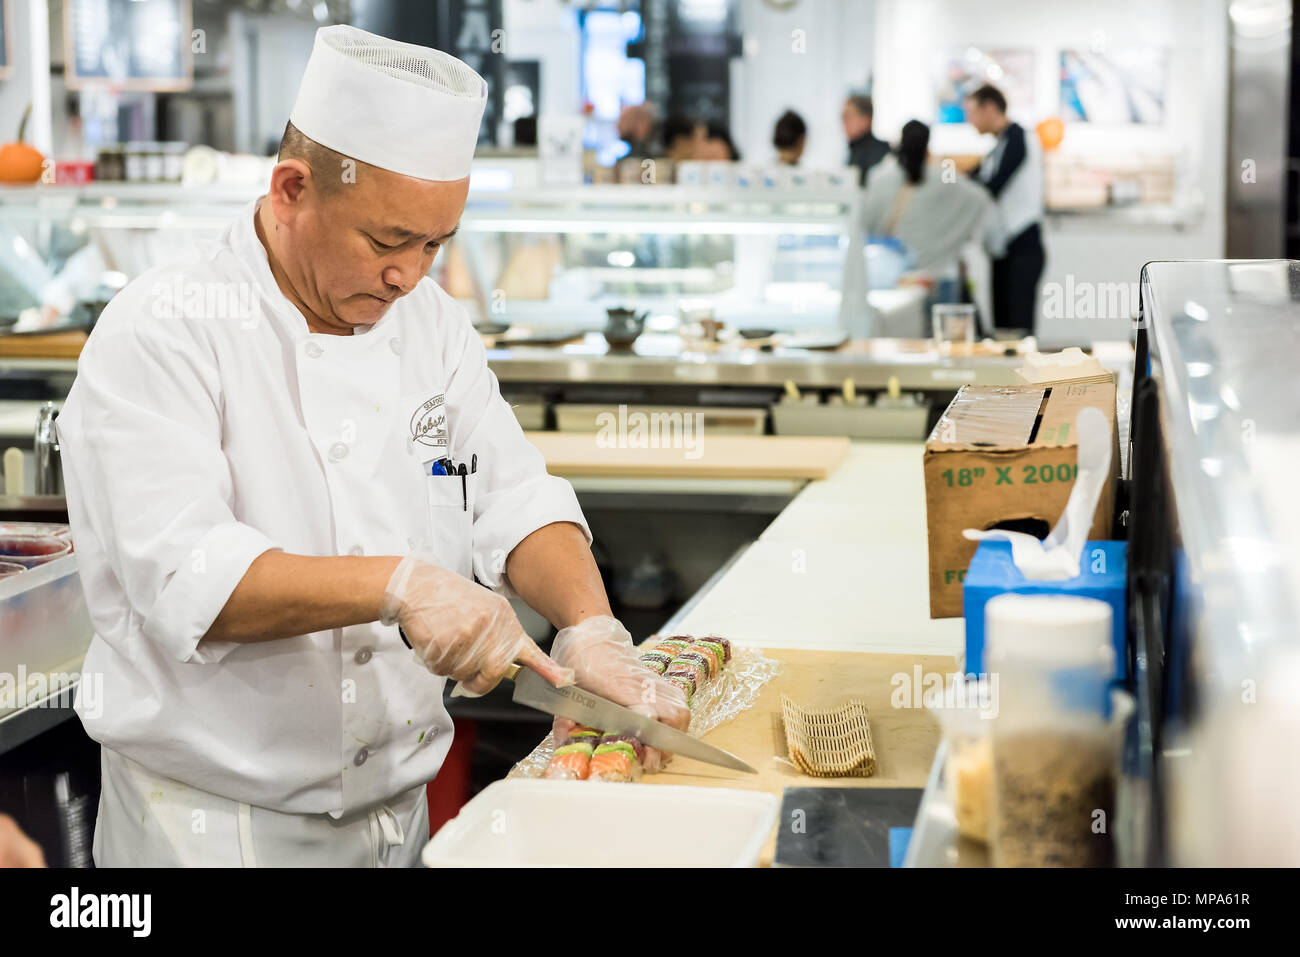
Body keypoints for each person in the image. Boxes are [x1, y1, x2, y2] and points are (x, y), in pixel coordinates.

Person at [56, 25, 689, 868]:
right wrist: (400, 585)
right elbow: (186, 577)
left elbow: (512, 495)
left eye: (434, 245)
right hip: (213, 832)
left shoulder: (430, 326)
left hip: (400, 820)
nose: (410, 276)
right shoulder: (164, 330)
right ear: (291, 190)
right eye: (388, 242)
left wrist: (591, 627)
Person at [861, 119, 992, 296]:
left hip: (896, 280)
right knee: (944, 322)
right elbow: (980, 198)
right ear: (928, 144)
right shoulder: (945, 178)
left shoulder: (880, 176)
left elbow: (867, 225)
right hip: (938, 276)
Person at [964, 83, 1045, 335]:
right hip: (1003, 250)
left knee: (1017, 333)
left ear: (989, 108)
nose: (970, 121)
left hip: (1022, 247)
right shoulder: (997, 148)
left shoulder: (1019, 139)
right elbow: (973, 180)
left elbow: (992, 186)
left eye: (972, 113)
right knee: (1002, 331)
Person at [842, 93, 889, 186]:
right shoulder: (855, 149)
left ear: (867, 119)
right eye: (842, 117)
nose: (843, 122)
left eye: (848, 116)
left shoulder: (878, 152)